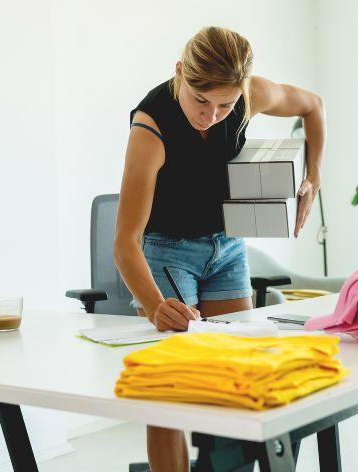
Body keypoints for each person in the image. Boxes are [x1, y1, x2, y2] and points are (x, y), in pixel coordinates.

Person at [113, 26, 325, 472]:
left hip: (227, 247)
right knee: (167, 392)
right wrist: (155, 306)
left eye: (225, 105)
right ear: (179, 75)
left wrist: (314, 178)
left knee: (236, 375)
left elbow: (313, 106)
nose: (211, 116)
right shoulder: (150, 127)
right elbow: (125, 243)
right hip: (166, 252)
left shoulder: (250, 95)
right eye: (200, 101)